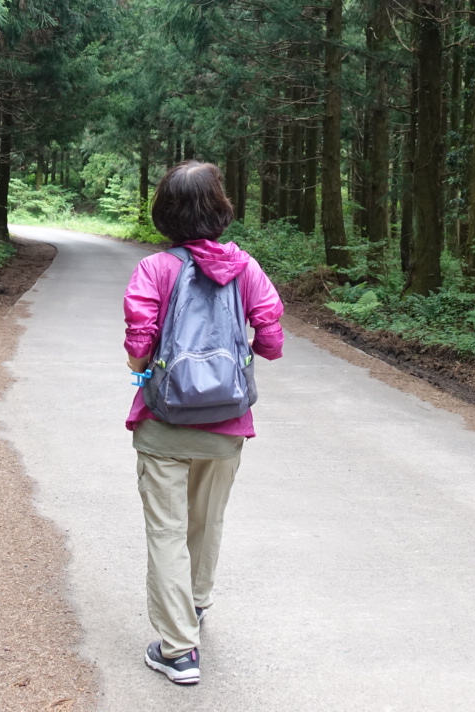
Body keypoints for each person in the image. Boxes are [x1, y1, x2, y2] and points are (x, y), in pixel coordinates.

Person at [122, 161, 284, 686]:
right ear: (220, 208)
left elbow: (139, 341)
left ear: (164, 212)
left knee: (166, 531)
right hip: (227, 422)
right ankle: (194, 603)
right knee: (206, 521)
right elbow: (271, 338)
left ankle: (178, 651)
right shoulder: (245, 267)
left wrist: (140, 367)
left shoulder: (155, 269)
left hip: (164, 421)